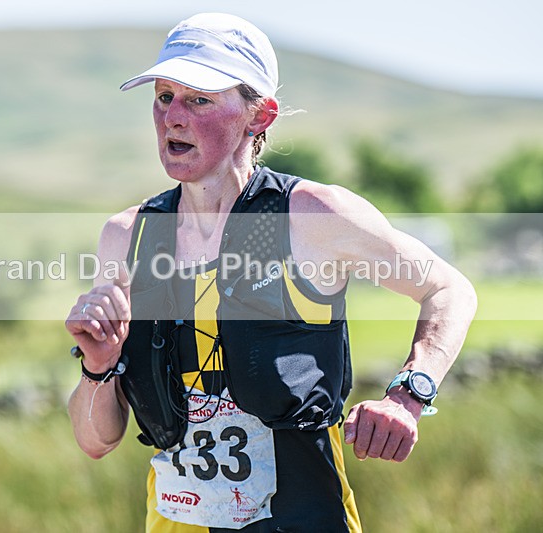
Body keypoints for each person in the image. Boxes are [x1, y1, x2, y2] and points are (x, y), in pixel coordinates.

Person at [66, 12, 477, 533]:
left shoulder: (310, 217)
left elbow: (449, 288)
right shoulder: (128, 237)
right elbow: (95, 441)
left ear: (260, 116)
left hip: (302, 517)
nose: (173, 117)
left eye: (200, 99)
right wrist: (97, 367)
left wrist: (408, 395)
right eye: (165, 95)